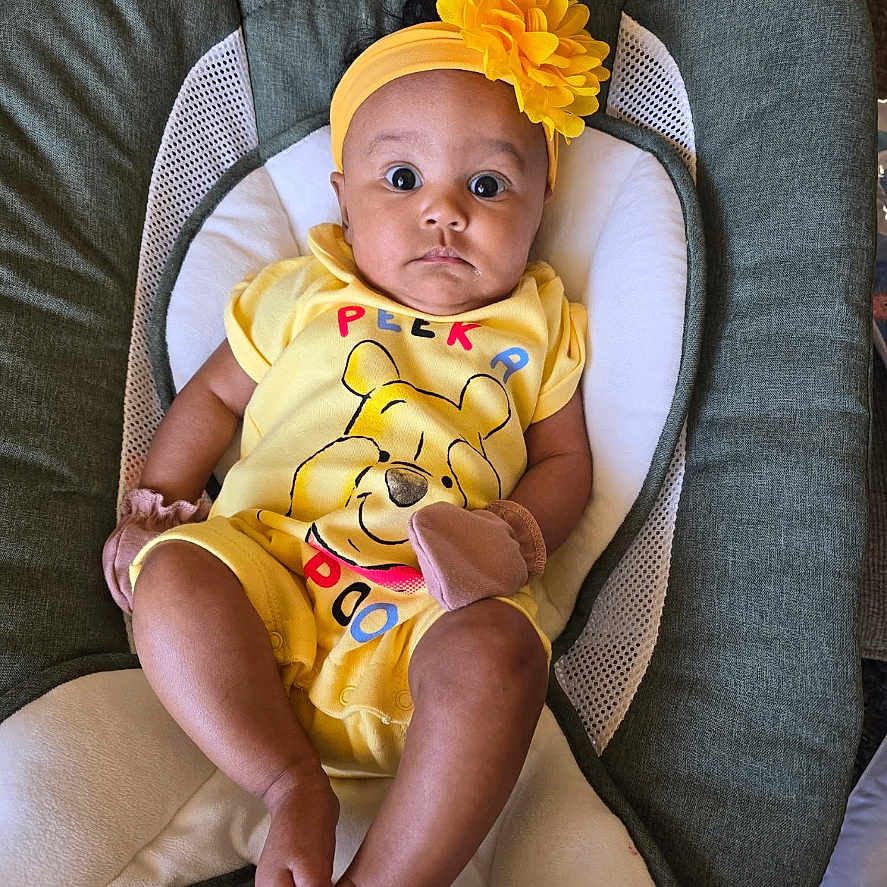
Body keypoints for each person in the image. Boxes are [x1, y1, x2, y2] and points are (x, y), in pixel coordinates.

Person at [103, 3, 608, 884]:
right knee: (174, 575)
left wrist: (516, 535)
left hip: (427, 611)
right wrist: (157, 502)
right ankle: (289, 782)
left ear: (541, 206)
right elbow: (214, 395)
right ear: (343, 195)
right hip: (264, 583)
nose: (444, 211)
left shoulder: (540, 323)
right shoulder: (303, 292)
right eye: (402, 178)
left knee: (502, 651)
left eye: (488, 186)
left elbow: (566, 462)